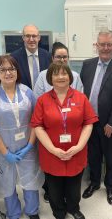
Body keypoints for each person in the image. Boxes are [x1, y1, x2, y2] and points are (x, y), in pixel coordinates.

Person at [30, 62, 98, 219]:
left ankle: (73, 208)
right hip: (51, 154)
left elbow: (88, 124)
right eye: (56, 74)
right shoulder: (42, 101)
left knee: (74, 185)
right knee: (54, 188)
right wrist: (54, 150)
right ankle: (59, 212)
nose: (60, 77)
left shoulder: (81, 98)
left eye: (64, 73)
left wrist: (79, 146)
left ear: (70, 77)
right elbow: (38, 127)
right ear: (50, 78)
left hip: (76, 152)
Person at [0, 55, 40, 219]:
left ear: (17, 71)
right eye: (3, 69)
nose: (8, 73)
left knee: (30, 179)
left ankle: (32, 211)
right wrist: (5, 152)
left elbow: (36, 121)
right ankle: (13, 213)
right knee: (7, 181)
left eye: (11, 68)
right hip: (2, 148)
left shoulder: (27, 91)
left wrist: (29, 145)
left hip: (27, 145)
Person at [81, 29, 112, 205]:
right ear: (97, 46)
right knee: (93, 155)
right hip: (89, 122)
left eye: (109, 44)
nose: (106, 48)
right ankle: (94, 183)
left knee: (110, 157)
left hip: (108, 123)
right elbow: (81, 94)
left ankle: (109, 186)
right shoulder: (87, 65)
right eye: (102, 44)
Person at [33, 41, 83, 203]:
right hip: (51, 134)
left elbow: (82, 106)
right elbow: (37, 103)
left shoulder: (75, 76)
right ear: (52, 58)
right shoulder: (43, 77)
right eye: (58, 57)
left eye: (65, 57)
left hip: (73, 134)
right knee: (53, 175)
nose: (62, 60)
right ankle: (56, 202)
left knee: (73, 176)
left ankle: (72, 205)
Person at [11, 24, 51, 89]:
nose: (31, 39)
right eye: (28, 36)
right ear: (23, 38)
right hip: (24, 98)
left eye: (34, 36)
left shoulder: (48, 56)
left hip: (44, 97)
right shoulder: (14, 58)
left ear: (39, 38)